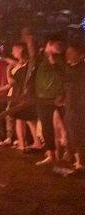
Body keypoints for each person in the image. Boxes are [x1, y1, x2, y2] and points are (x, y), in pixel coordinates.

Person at [32, 38, 66, 167]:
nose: (61, 48)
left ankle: (69, 154)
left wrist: (62, 94)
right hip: (42, 97)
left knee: (64, 125)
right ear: (49, 44)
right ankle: (51, 154)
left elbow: (64, 77)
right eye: (58, 45)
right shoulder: (40, 58)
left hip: (56, 97)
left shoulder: (60, 59)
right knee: (46, 126)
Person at [61, 43, 84, 172]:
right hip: (69, 106)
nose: (68, 55)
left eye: (71, 53)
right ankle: (74, 158)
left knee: (77, 133)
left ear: (81, 55)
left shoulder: (80, 70)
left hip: (78, 107)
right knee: (70, 132)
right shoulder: (69, 68)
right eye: (67, 52)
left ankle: (80, 161)